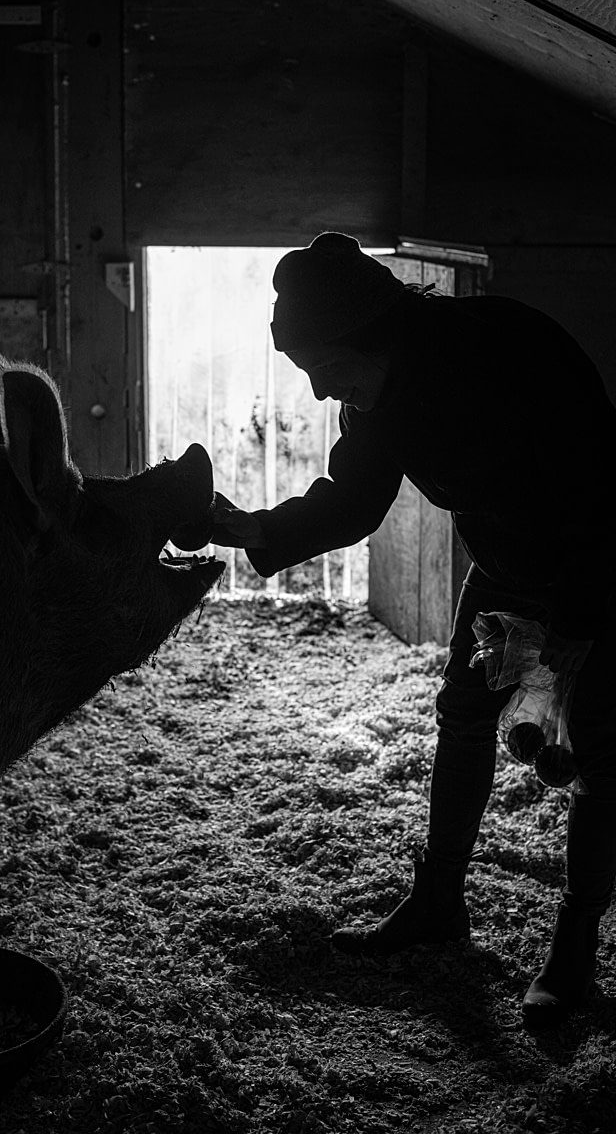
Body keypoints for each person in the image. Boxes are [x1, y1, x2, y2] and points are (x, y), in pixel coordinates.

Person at [205, 231, 616, 1027]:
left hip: (598, 557)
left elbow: (597, 494)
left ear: (370, 337)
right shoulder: (380, 396)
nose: (322, 393)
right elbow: (353, 501)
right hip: (503, 560)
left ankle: (574, 950)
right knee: (463, 718)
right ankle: (438, 902)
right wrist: (254, 528)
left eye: (322, 370)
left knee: (593, 757)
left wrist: (569, 641)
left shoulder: (509, 350)